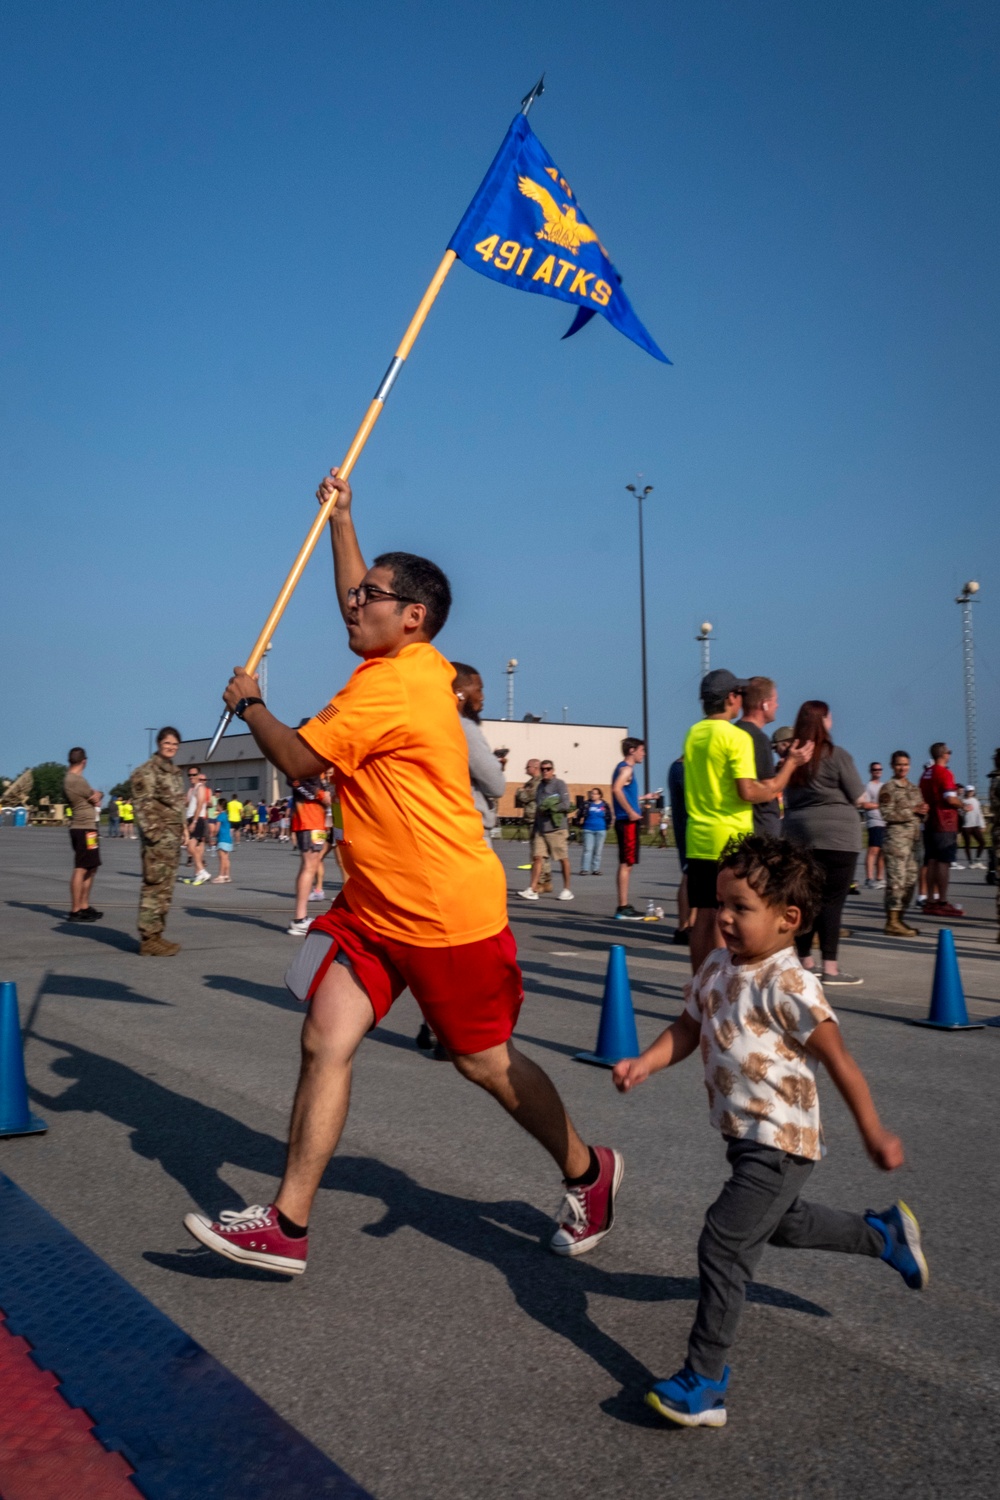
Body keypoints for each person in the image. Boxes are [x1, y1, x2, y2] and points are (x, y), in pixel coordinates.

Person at [183, 466, 621, 1273]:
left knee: (483, 1064)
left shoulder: (393, 690)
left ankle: (590, 1172)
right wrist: (344, 522)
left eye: (371, 597)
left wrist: (251, 702)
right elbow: (359, 599)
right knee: (326, 1039)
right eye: (360, 593)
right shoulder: (409, 661)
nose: (356, 603)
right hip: (376, 905)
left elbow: (297, 756)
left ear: (412, 617)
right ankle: (287, 1225)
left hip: (447, 913)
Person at [613, 834, 925, 1428]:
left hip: (780, 1143)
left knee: (724, 1242)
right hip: (743, 1138)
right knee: (784, 1226)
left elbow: (840, 1061)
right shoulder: (715, 966)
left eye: (740, 908)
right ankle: (884, 1235)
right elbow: (687, 1026)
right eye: (720, 903)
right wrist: (643, 1063)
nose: (723, 917)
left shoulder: (791, 984)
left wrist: (874, 1132)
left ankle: (704, 1382)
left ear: (788, 920)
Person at [683, 671, 811, 973]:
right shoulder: (735, 737)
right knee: (724, 916)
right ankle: (718, 988)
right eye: (738, 694)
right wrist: (789, 767)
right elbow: (749, 790)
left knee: (702, 915)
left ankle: (699, 988)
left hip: (698, 835)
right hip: (729, 837)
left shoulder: (694, 733)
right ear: (731, 698)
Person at [783, 701, 865, 986]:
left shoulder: (791, 759)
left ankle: (805, 961)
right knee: (832, 902)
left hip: (797, 834)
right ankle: (830, 968)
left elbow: (786, 796)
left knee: (804, 899)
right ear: (824, 721)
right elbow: (857, 794)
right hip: (838, 836)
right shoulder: (837, 755)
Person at [131, 727, 186, 956]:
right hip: (158, 841)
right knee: (154, 886)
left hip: (172, 840)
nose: (171, 747)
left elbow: (177, 805)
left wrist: (182, 830)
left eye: (175, 744)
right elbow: (141, 805)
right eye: (167, 743)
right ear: (159, 743)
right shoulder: (147, 771)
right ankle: (147, 938)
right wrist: (156, 835)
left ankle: (157, 934)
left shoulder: (174, 772)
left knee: (165, 889)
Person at [452, 663, 507, 836]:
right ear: (459, 692)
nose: (482, 697)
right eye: (479, 690)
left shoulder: (430, 723)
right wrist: (496, 767)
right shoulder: (464, 727)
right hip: (471, 829)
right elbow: (496, 786)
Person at [879, 752, 926, 937]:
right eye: (899, 765)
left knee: (910, 881)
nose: (903, 768)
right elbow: (886, 813)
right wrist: (911, 810)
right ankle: (892, 921)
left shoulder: (914, 788)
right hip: (897, 841)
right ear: (892, 765)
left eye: (906, 764)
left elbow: (920, 812)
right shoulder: (888, 788)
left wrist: (923, 811)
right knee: (896, 881)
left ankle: (900, 917)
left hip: (914, 841)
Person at [287, 747, 332, 936]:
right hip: (309, 820)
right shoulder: (303, 762)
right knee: (309, 865)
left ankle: (301, 917)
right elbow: (295, 781)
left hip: (318, 822)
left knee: (312, 864)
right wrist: (323, 796)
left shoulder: (315, 765)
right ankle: (299, 918)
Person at [918, 744, 964, 918]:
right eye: (949, 752)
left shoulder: (926, 773)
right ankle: (942, 901)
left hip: (929, 823)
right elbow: (950, 798)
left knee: (931, 861)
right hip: (945, 822)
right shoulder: (944, 773)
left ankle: (930, 900)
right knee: (944, 862)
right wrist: (963, 804)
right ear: (944, 755)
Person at [519, 760, 574, 901]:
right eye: (543, 769)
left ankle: (567, 889)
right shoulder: (540, 786)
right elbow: (538, 808)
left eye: (548, 769)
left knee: (562, 859)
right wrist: (536, 827)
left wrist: (551, 807)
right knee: (537, 858)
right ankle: (532, 889)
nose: (545, 771)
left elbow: (566, 804)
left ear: (553, 770)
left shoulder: (559, 784)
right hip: (541, 828)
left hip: (556, 829)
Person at [736, 677, 782, 837]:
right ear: (764, 703)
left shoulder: (735, 732)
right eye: (774, 700)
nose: (777, 705)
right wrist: (792, 764)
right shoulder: (758, 738)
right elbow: (769, 786)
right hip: (762, 823)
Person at [63, 747, 103, 922]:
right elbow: (95, 797)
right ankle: (75, 910)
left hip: (88, 828)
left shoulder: (71, 779)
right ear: (84, 761)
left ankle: (84, 905)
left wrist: (95, 795)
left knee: (91, 866)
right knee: (81, 867)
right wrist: (99, 793)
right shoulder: (76, 780)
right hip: (83, 828)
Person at [611, 737, 646, 920]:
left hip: (626, 821)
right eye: (642, 750)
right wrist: (631, 812)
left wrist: (643, 798)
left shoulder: (623, 768)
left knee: (627, 863)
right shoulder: (626, 769)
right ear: (632, 750)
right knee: (626, 864)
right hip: (627, 822)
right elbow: (616, 789)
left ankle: (623, 905)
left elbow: (624, 792)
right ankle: (622, 907)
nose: (644, 754)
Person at [667, 754, 694, 944]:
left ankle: (688, 925)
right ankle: (684, 927)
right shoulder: (683, 769)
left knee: (691, 874)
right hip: (691, 826)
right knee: (690, 874)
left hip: (685, 825)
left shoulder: (677, 767)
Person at [514, 760, 552, 892]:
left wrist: (519, 791)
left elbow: (525, 797)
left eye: (528, 767)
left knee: (537, 853)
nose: (525, 769)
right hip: (535, 819)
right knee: (542, 853)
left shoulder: (537, 782)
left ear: (535, 767)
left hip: (535, 820)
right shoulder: (533, 781)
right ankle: (546, 881)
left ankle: (540, 882)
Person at [859, 762, 886, 887]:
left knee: (882, 851)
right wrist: (880, 805)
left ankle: (880, 878)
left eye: (880, 769)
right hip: (874, 822)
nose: (878, 771)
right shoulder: (868, 786)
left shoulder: (883, 786)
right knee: (873, 850)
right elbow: (865, 804)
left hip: (885, 821)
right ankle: (869, 879)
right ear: (871, 771)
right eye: (875, 769)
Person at [183, 767, 211, 886]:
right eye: (189, 775)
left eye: (194, 775)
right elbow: (187, 804)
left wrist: (194, 821)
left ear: (198, 775)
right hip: (190, 818)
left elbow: (200, 804)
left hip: (198, 819)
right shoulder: (191, 789)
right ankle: (198, 873)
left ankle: (202, 872)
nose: (191, 777)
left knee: (191, 847)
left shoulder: (200, 787)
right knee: (193, 848)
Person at [579, 788, 611, 875]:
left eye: (595, 794)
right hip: (588, 829)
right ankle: (585, 869)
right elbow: (580, 814)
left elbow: (609, 816)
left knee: (598, 850)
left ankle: (595, 869)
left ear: (600, 795)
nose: (593, 795)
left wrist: (607, 825)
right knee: (588, 849)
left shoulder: (604, 805)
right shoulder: (587, 804)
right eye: (592, 793)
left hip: (601, 829)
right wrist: (579, 822)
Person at [959, 787, 986, 868]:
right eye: (969, 791)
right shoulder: (962, 801)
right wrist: (963, 810)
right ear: (966, 792)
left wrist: (982, 825)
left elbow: (979, 813)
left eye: (972, 791)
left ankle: (977, 860)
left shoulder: (975, 801)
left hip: (975, 825)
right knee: (968, 844)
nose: (970, 792)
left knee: (982, 842)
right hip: (966, 826)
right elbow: (959, 812)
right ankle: (970, 862)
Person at [211, 800, 233, 883]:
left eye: (217, 805)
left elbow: (216, 829)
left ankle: (221, 876)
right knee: (226, 858)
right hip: (228, 839)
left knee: (222, 858)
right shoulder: (226, 815)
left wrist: (213, 836)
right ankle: (227, 875)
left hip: (222, 839)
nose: (216, 806)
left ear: (220, 806)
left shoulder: (220, 816)